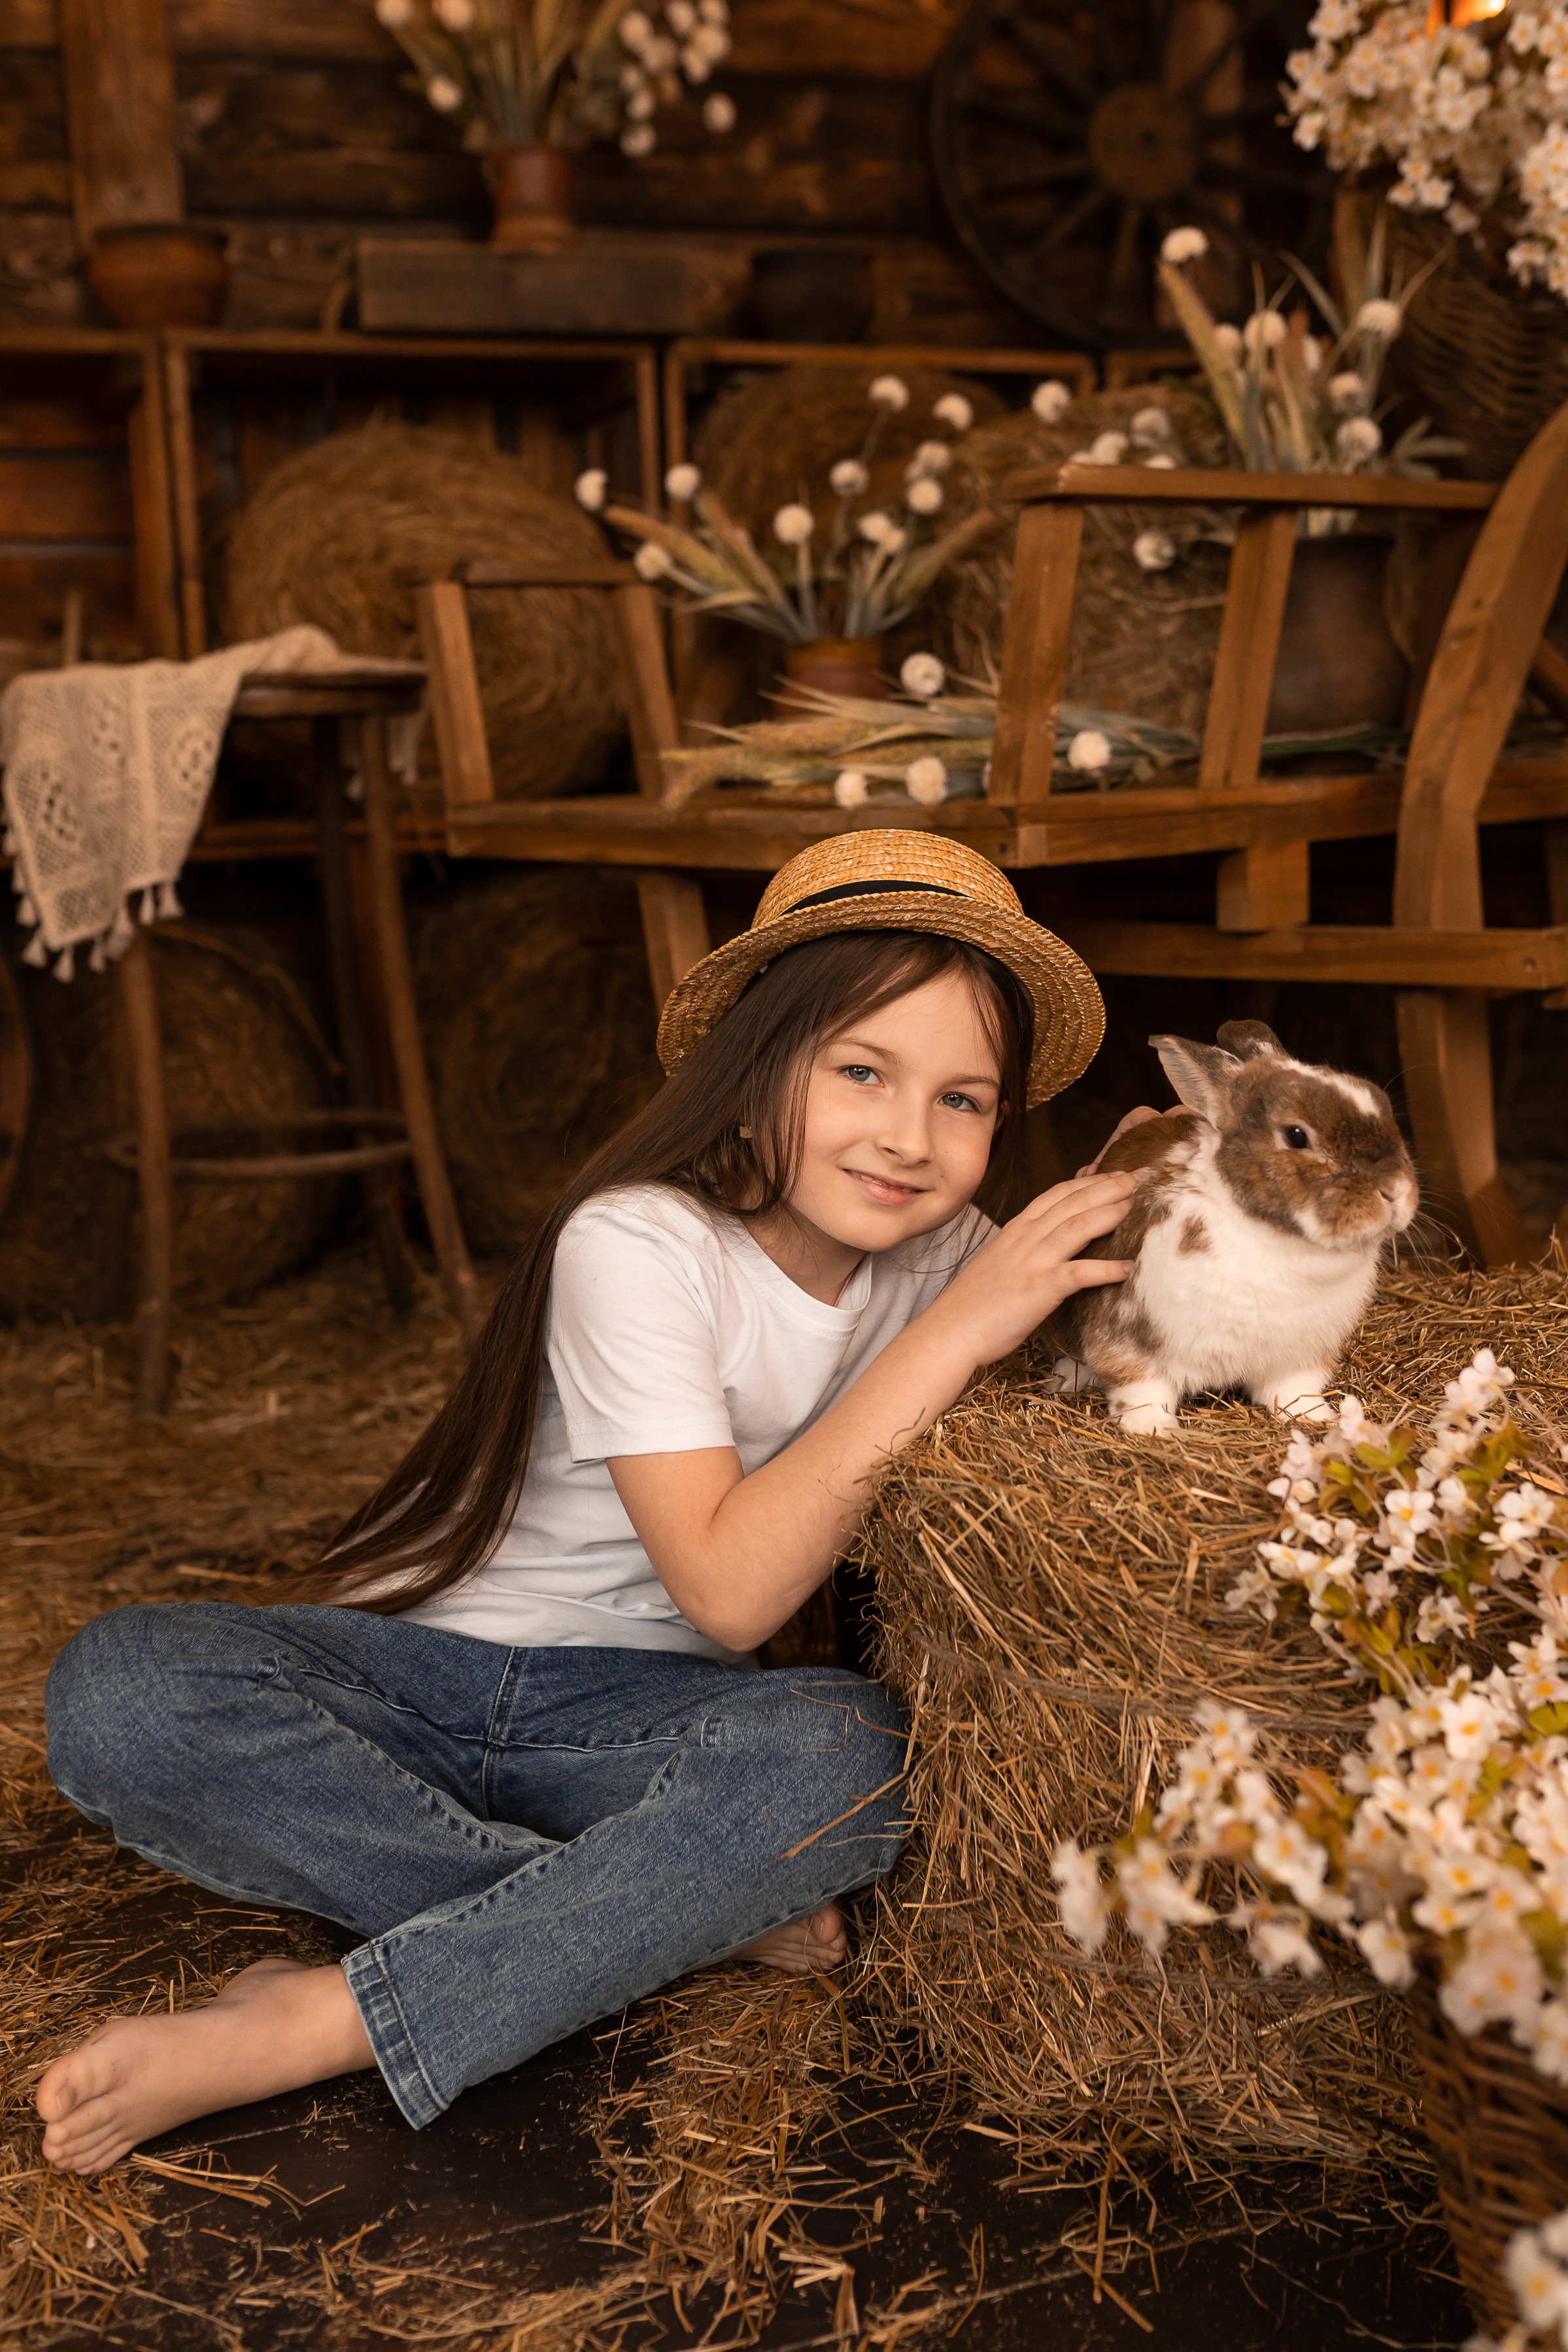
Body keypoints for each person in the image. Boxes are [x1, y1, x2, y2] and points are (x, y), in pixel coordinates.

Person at [37, 831, 1145, 2176]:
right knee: (125, 1684)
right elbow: (730, 1584)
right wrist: (958, 1329)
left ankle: (324, 2016)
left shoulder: (956, 1264)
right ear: (756, 1067)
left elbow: (1103, 1396)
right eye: (860, 1069)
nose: (908, 1137)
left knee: (843, 1751)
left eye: (962, 1099)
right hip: (420, 1684)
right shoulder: (636, 1239)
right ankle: (665, 1910)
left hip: (642, 1725)